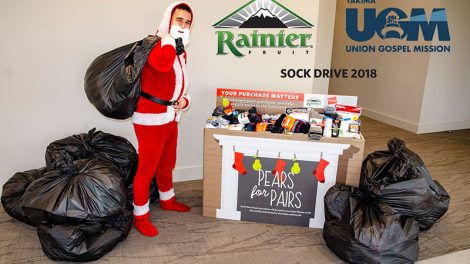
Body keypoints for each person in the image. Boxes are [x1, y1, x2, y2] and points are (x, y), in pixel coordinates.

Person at [131, 1, 193, 237]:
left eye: (187, 23)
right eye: (179, 20)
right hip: (150, 118)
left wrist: (184, 101)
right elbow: (162, 64)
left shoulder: (179, 49)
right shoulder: (157, 44)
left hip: (170, 115)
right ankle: (141, 215)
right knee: (146, 169)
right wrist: (169, 39)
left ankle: (167, 200)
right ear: (169, 19)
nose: (184, 25)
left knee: (167, 162)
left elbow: (178, 84)